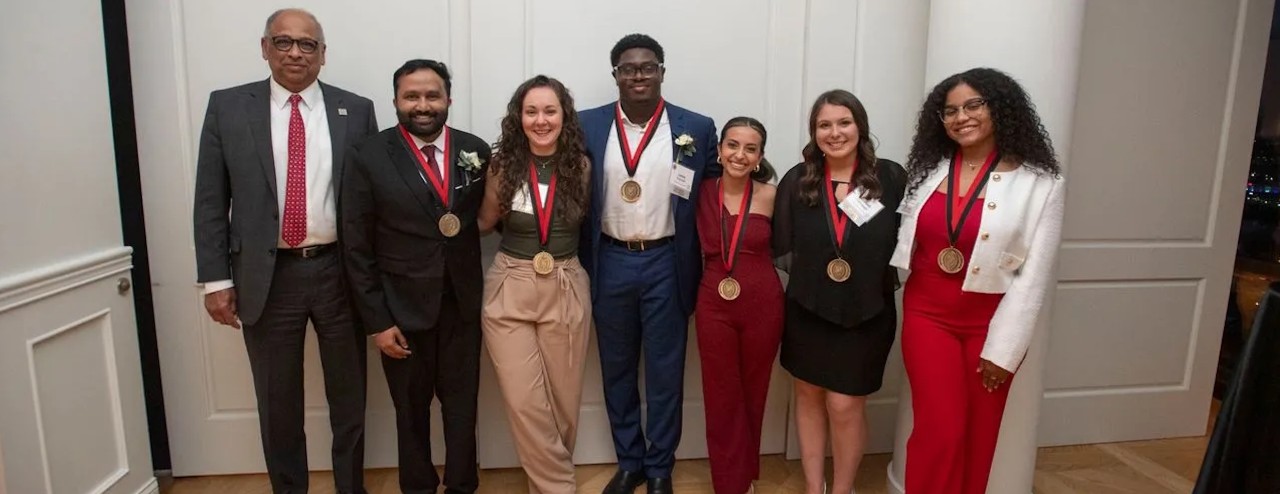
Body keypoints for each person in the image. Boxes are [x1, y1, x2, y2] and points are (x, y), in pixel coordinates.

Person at [191, 8, 375, 494]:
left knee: (350, 398)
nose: (296, 52)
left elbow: (367, 201)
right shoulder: (228, 107)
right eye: (284, 42)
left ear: (323, 54)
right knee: (278, 404)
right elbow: (211, 199)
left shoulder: (356, 110)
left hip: (338, 273)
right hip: (267, 277)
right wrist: (216, 280)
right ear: (265, 47)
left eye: (307, 44)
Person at [892, 67, 1065, 494]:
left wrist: (1005, 350)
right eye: (950, 110)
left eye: (973, 105)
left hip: (993, 325)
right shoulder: (928, 170)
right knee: (942, 429)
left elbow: (1034, 277)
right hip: (927, 314)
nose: (960, 117)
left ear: (1000, 109)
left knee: (980, 436)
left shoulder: (1041, 184)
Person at [577, 33, 721, 494]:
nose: (638, 75)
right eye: (628, 68)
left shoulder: (695, 127)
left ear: (662, 70)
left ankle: (660, 468)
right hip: (610, 260)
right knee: (616, 370)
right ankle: (630, 462)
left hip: (667, 261)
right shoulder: (587, 125)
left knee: (665, 372)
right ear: (615, 74)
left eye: (647, 67)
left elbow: (719, 191)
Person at [341, 59, 491, 494]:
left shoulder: (475, 150)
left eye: (432, 95)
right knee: (410, 411)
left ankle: (463, 485)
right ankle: (419, 487)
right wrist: (377, 322)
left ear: (448, 100)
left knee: (462, 408)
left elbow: (485, 215)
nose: (422, 105)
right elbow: (356, 245)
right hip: (399, 312)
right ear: (395, 102)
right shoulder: (369, 155)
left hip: (461, 306)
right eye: (412, 96)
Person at [773, 90, 905, 494]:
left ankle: (843, 488)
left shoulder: (892, 178)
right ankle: (816, 487)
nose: (835, 132)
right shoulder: (798, 179)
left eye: (843, 122)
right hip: (808, 310)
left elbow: (910, 240)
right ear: (814, 133)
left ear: (860, 125)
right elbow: (784, 244)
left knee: (844, 405)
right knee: (809, 396)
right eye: (824, 125)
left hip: (867, 312)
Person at [475, 75, 592, 494]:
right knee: (526, 403)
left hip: (565, 281)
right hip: (511, 283)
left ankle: (544, 486)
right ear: (518, 117)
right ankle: (562, 489)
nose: (540, 120)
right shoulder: (502, 165)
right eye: (531, 112)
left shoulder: (580, 164)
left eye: (549, 111)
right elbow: (485, 223)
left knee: (563, 404)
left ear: (564, 116)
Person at [694, 117, 783, 494]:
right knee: (720, 393)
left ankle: (746, 475)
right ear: (719, 150)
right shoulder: (698, 192)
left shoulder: (773, 195)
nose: (739, 155)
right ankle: (726, 483)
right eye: (732, 145)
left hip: (764, 304)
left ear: (760, 157)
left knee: (754, 389)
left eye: (750, 148)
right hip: (714, 302)